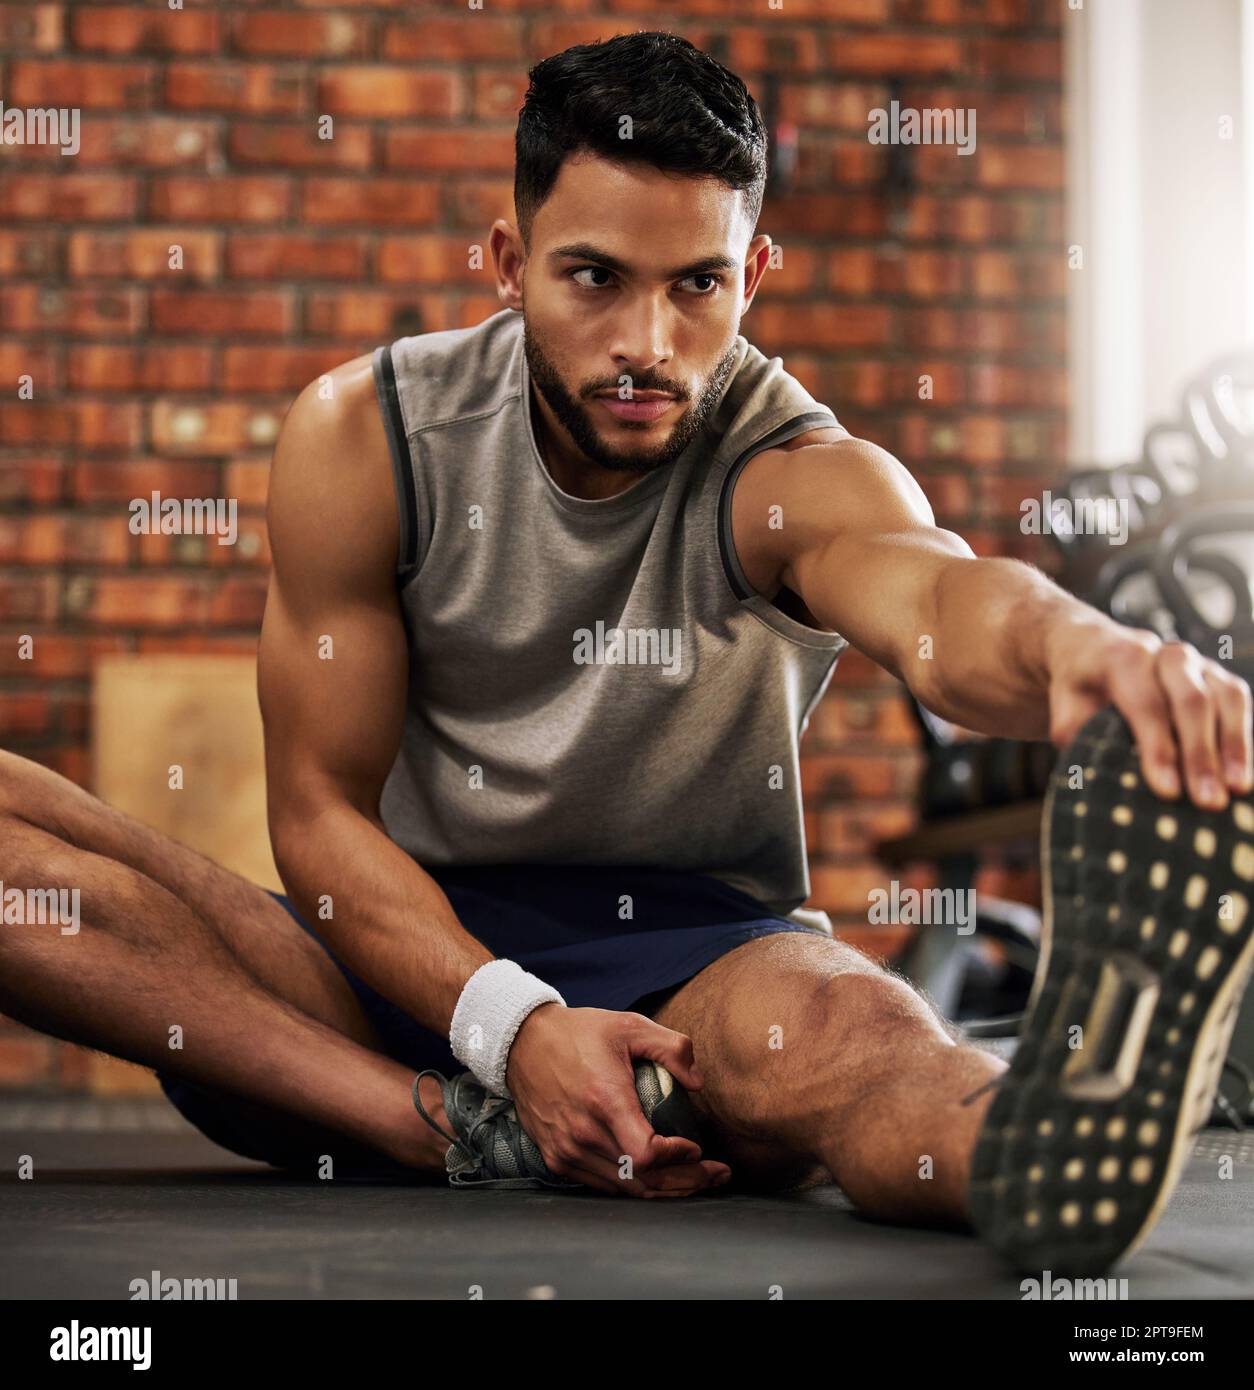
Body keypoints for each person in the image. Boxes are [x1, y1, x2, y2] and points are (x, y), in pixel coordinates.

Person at [2, 32, 1250, 1276]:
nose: (647, 343)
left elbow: (939, 599)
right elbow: (320, 814)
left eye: (696, 285)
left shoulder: (793, 473)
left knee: (857, 1034)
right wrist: (514, 1028)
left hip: (700, 965)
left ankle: (1041, 1145)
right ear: (508, 261)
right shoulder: (366, 437)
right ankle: (442, 1125)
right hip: (398, 958)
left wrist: (1080, 647)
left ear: (755, 273)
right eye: (594, 277)